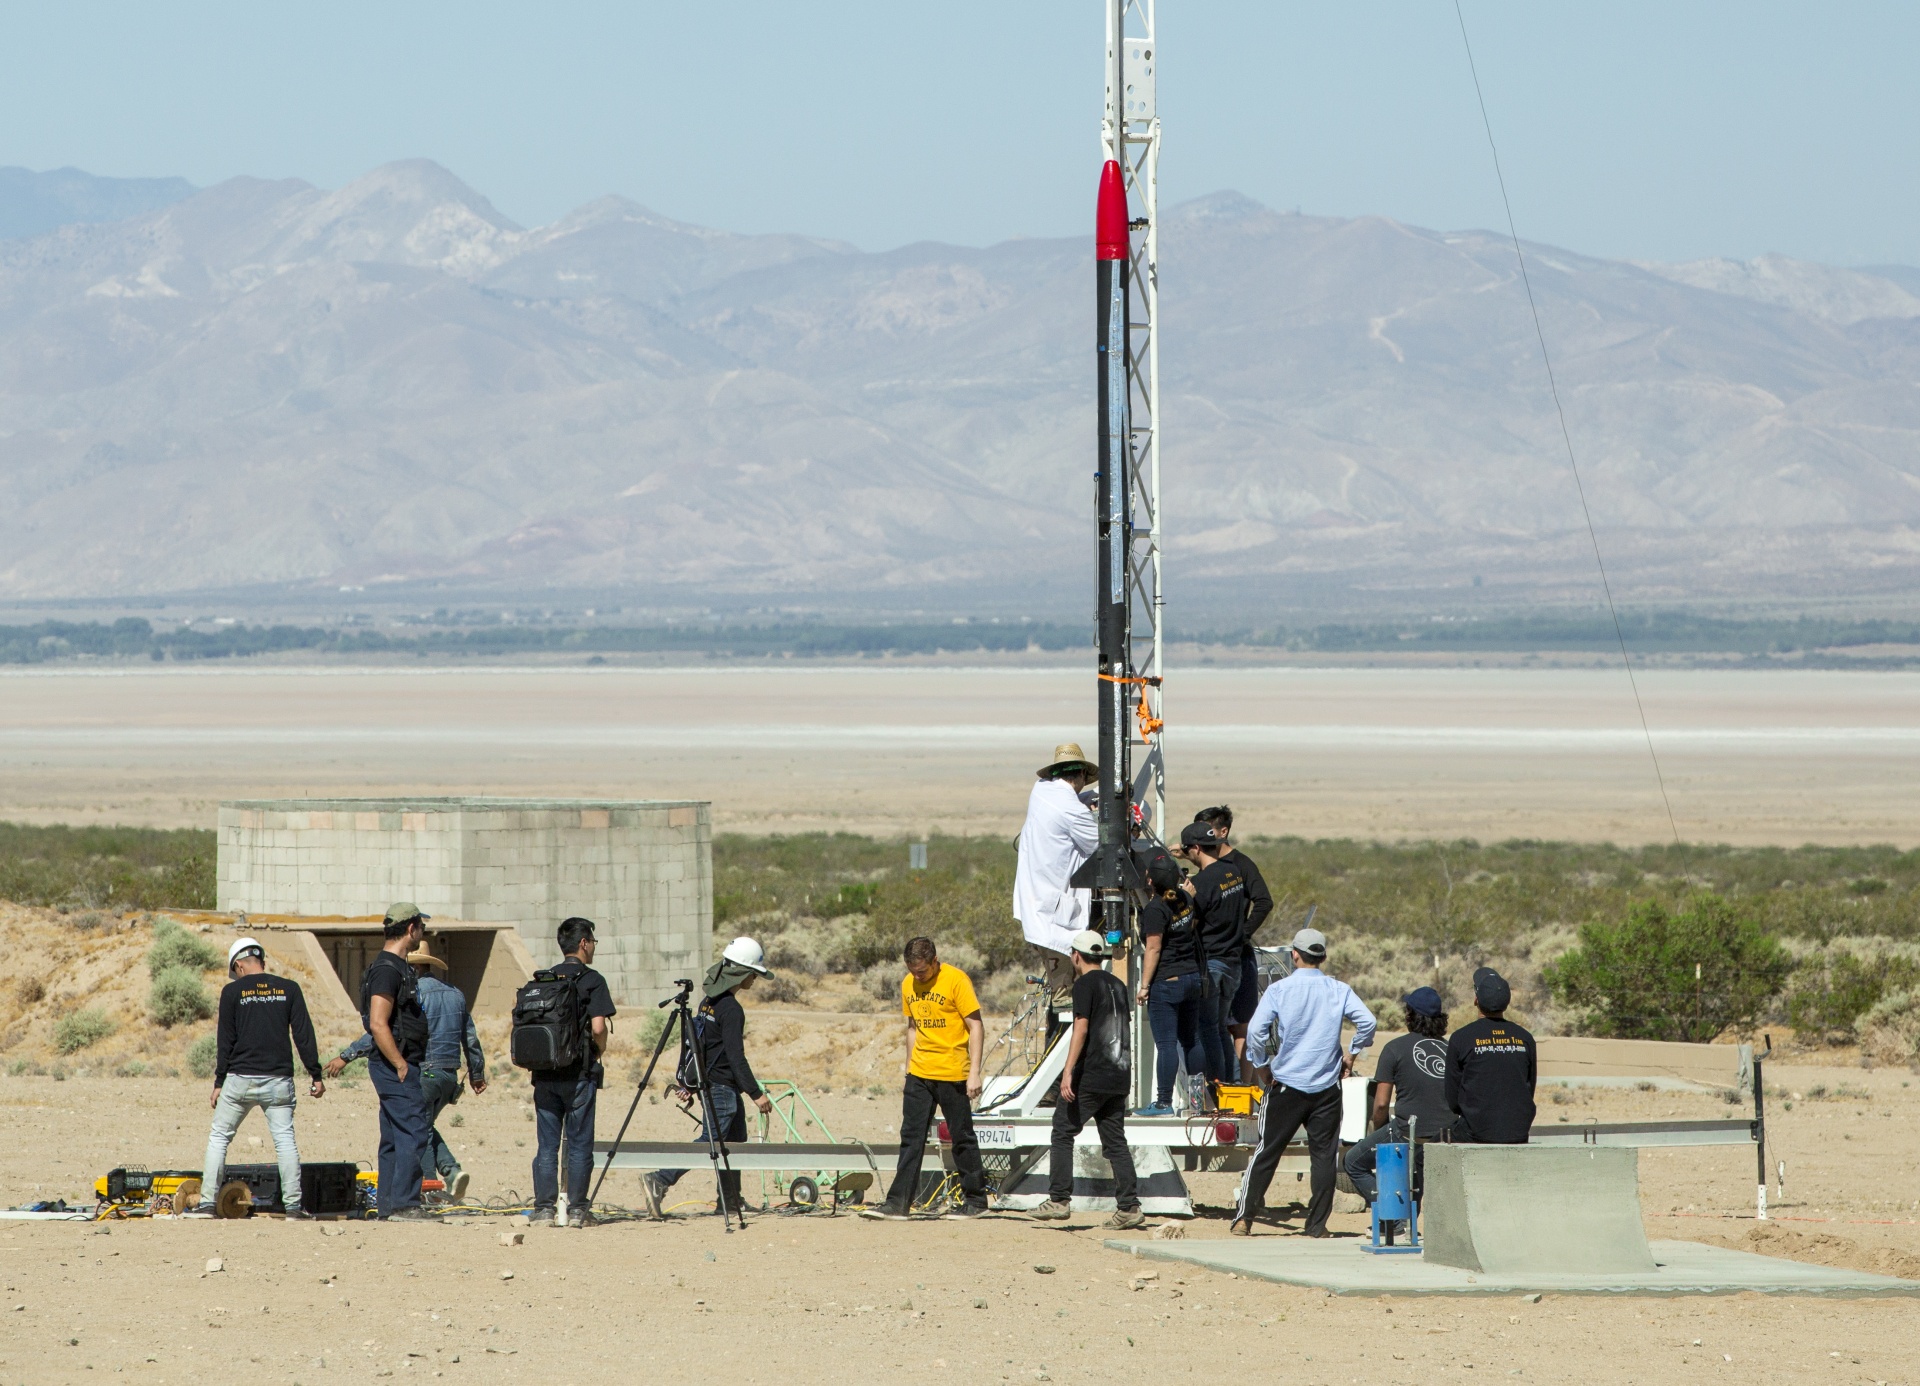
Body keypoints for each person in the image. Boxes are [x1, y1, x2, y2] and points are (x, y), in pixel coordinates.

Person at [1231, 927, 1376, 1238]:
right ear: (1322, 957)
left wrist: (1260, 1066)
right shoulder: (1340, 990)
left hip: (1285, 1084)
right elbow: (1368, 1022)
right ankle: (1317, 1226)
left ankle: (1245, 1218)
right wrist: (1351, 1055)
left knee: (1267, 1151)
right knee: (1324, 1157)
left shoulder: (1280, 990)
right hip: (1326, 1087)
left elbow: (1256, 1031)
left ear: (1295, 955)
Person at [328, 946, 487, 1201]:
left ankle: (426, 1190)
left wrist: (347, 1056)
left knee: (414, 1130)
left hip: (424, 1071)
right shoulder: (456, 994)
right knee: (423, 1125)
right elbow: (470, 1037)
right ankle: (451, 1172)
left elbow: (382, 1031)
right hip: (449, 1075)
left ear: (413, 968)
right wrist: (477, 1073)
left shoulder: (413, 993)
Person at [191, 937, 325, 1218]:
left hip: (239, 1079)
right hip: (278, 1081)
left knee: (219, 1138)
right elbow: (303, 1035)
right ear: (261, 960)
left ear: (238, 965)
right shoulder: (290, 989)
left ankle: (206, 1204)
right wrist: (315, 1073)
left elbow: (225, 1041)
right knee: (285, 1141)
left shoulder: (232, 992)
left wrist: (219, 1082)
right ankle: (293, 1207)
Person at [643, 936, 775, 1219]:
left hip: (712, 1085)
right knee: (711, 1142)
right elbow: (736, 1057)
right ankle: (659, 1179)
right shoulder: (731, 1010)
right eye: (754, 973)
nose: (755, 979)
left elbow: (701, 1047)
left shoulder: (708, 1003)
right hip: (722, 1089)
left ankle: (729, 1201)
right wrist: (756, 1094)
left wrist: (691, 1083)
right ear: (742, 972)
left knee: (735, 1142)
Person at [862, 937, 988, 1220]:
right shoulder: (908, 984)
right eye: (912, 970)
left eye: (922, 971)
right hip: (920, 1072)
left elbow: (976, 1025)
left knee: (961, 1137)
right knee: (911, 1137)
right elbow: (912, 1027)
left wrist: (974, 1072)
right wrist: (908, 1069)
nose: (917, 976)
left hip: (952, 1071)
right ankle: (898, 1203)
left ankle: (976, 1201)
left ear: (934, 961)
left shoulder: (956, 980)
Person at [1029, 931, 1144, 1229]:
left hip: (1093, 1074)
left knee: (1063, 1130)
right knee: (1115, 1141)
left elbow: (1081, 1028)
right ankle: (1129, 1206)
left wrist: (1067, 1071)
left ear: (1075, 956)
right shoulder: (1118, 985)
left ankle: (1059, 1199)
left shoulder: (1083, 985)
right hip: (1119, 1074)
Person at [528, 916, 617, 1227]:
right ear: (583, 943)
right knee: (579, 1144)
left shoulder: (543, 979)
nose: (593, 947)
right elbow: (598, 1027)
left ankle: (543, 1210)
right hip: (578, 1075)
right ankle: (578, 1211)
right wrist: (599, 1051)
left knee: (547, 1146)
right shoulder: (592, 980)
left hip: (545, 1075)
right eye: (592, 941)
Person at [1344, 987, 1450, 1219]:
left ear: (1411, 1015)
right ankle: (1406, 1217)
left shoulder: (1394, 1048)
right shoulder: (1450, 1049)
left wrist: (1377, 1129)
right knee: (1417, 1170)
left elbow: (1381, 1104)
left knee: (1353, 1162)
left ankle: (1392, 1214)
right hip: (1445, 1133)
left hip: (1406, 1130)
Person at [361, 902, 434, 1220]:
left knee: (393, 1135)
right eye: (422, 927)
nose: (423, 933)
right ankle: (404, 1203)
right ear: (410, 928)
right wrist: (401, 1064)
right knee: (413, 1131)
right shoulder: (388, 969)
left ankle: (389, 1205)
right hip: (395, 1065)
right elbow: (378, 1023)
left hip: (392, 1063)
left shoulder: (393, 966)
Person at [1192, 806, 1275, 1080]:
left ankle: (1242, 1087)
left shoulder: (1241, 864)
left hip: (1237, 956)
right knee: (1216, 1027)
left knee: (1239, 1026)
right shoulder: (1206, 868)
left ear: (1223, 831)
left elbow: (1264, 901)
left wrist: (1242, 933)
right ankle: (1223, 1083)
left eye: (1208, 832)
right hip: (1215, 956)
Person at [1013, 742, 1100, 999]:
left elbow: (1069, 802)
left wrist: (1091, 798)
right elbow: (1097, 843)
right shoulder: (1072, 811)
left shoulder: (1042, 789)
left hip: (1035, 902)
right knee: (1066, 994)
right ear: (1081, 775)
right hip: (1054, 916)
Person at [1132, 856, 1208, 1117]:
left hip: (1167, 982)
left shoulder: (1155, 909)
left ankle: (1163, 1102)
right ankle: (1198, 1101)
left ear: (1150, 881)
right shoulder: (1186, 899)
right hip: (1191, 977)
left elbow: (1153, 948)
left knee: (1166, 1044)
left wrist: (1144, 986)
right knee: (1191, 1040)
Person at [1180, 821, 1249, 1087]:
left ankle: (1218, 1085)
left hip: (1211, 963)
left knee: (1207, 1028)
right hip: (1233, 962)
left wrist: (1187, 898)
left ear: (1196, 848)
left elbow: (1191, 923)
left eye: (1189, 850)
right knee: (1220, 1028)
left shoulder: (1201, 883)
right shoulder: (1232, 872)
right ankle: (1231, 1084)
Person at [1445, 967, 1536, 1144]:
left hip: (1475, 1131)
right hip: (1518, 1131)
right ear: (1507, 1002)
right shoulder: (1525, 1038)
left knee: (1420, 1157)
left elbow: (1452, 1099)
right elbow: (1528, 1088)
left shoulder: (1461, 1038)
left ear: (1476, 1000)